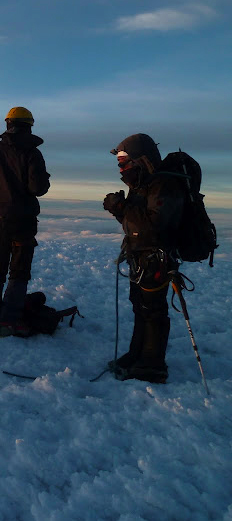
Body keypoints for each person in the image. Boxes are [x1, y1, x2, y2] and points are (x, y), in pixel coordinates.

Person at [103, 134, 184, 383]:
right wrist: (120, 210)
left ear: (141, 159)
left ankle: (153, 364)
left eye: (124, 160)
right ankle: (137, 354)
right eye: (119, 161)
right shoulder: (142, 185)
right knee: (140, 306)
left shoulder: (163, 185)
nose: (121, 167)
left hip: (157, 257)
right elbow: (136, 223)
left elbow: (154, 226)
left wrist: (122, 208)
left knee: (153, 309)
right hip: (140, 256)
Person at [0, 107, 50, 337]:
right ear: (29, 125)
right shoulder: (32, 153)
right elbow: (38, 188)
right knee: (19, 272)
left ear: (7, 124)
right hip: (23, 222)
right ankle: (8, 321)